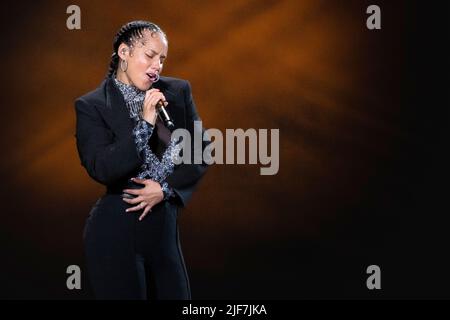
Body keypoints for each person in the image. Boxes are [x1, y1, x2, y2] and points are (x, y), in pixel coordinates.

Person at [74, 20, 209, 300]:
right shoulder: (92, 105)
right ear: (124, 52)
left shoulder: (177, 92)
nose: (157, 65)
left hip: (164, 232)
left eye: (162, 59)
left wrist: (165, 189)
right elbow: (102, 167)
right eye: (150, 55)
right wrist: (145, 124)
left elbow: (202, 150)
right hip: (115, 231)